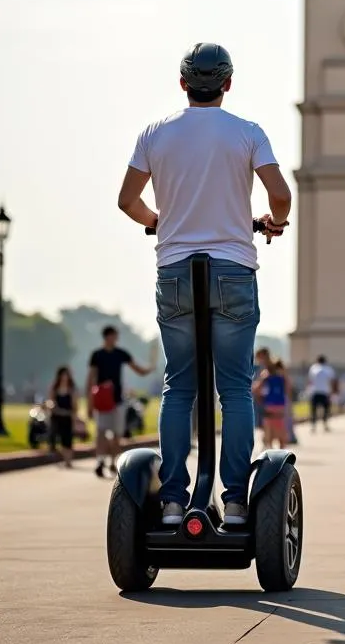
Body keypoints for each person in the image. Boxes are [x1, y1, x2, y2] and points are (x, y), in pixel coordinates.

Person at [116, 42, 292, 526]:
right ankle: (235, 502)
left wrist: (159, 221)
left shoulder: (155, 133)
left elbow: (127, 199)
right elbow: (280, 193)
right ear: (228, 85)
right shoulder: (247, 133)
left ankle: (173, 502)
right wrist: (273, 222)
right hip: (233, 267)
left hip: (174, 270)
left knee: (179, 388)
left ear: (183, 84)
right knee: (234, 390)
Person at [86, 325, 155, 478]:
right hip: (102, 400)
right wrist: (90, 404)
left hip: (117, 400)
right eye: (114, 335)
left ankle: (112, 461)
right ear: (107, 336)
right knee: (101, 432)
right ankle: (100, 461)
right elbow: (90, 379)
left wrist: (149, 369)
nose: (116, 338)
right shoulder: (97, 355)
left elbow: (138, 369)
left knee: (117, 434)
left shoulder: (120, 354)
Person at [255, 358, 290, 448]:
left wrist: (261, 398)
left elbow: (256, 389)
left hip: (269, 405)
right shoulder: (283, 378)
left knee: (269, 432)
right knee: (281, 432)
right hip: (280, 406)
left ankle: (270, 452)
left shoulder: (266, 377)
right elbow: (287, 390)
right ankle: (282, 454)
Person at [48, 366, 77, 468]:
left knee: (67, 438)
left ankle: (68, 460)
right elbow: (51, 400)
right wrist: (52, 407)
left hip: (67, 416)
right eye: (63, 375)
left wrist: (74, 417)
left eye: (66, 375)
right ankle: (59, 458)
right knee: (56, 438)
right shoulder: (55, 388)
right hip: (56, 416)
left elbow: (74, 405)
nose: (65, 377)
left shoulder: (71, 389)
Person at [307, 354, 336, 432]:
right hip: (325, 391)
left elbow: (309, 381)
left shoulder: (313, 368)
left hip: (315, 391)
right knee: (326, 409)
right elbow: (332, 381)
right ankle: (325, 424)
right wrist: (332, 391)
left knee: (314, 409)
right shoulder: (329, 369)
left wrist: (308, 390)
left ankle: (314, 425)